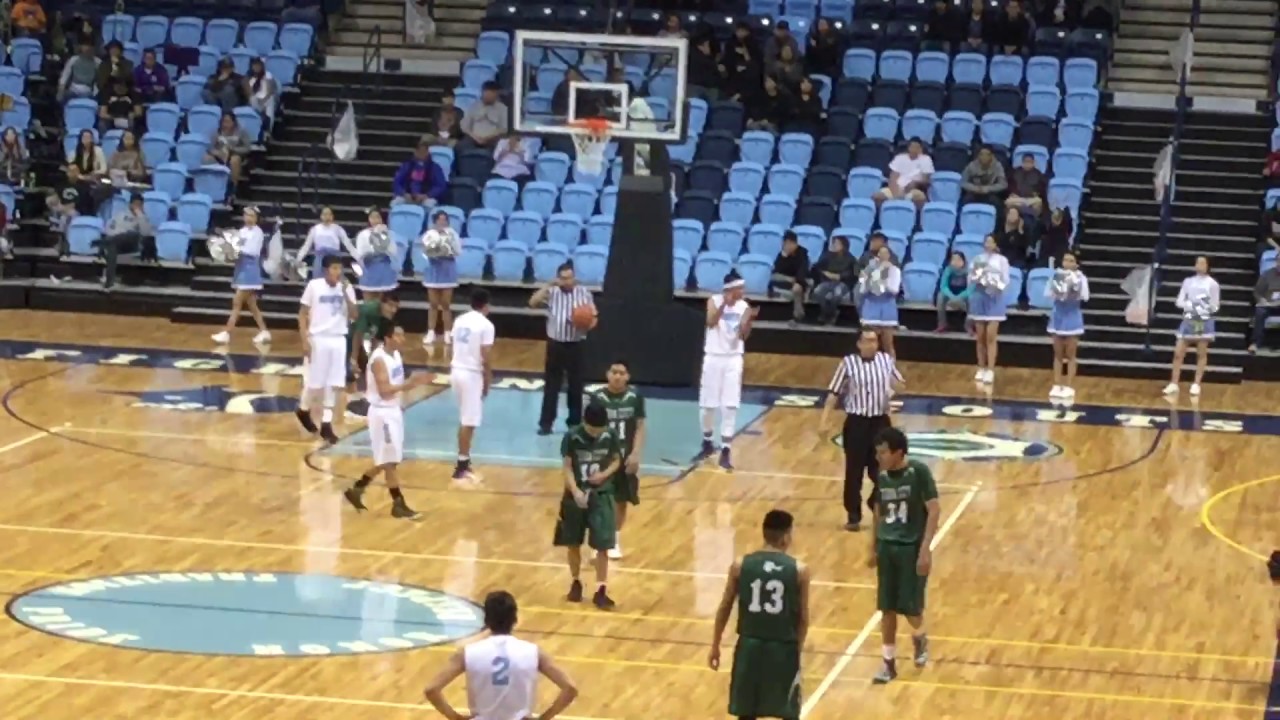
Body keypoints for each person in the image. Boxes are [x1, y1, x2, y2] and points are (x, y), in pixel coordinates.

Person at [708, 509, 811, 720]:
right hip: (783, 646)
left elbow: (724, 607)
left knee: (747, 711)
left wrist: (715, 645)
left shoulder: (740, 565)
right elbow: (803, 617)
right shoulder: (800, 570)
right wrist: (797, 650)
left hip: (750, 647)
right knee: (788, 712)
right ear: (785, 537)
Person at [422, 590, 579, 720]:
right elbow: (570, 688)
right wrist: (544, 718)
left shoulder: (468, 652)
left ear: (486, 620)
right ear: (515, 619)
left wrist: (456, 718)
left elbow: (431, 689)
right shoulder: (533, 652)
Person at [867, 427, 940, 684]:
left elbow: (933, 510)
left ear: (899, 452)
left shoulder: (918, 472)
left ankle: (920, 637)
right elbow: (878, 512)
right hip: (888, 546)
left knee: (910, 608)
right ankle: (888, 663)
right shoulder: (882, 476)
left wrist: (925, 549)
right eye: (878, 453)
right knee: (886, 608)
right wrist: (872, 547)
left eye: (884, 453)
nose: (879, 458)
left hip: (910, 547)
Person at [341, 320, 429, 519]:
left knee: (389, 459)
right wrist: (410, 385)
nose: (403, 339)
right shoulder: (379, 360)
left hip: (393, 411)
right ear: (388, 338)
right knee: (389, 461)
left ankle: (357, 489)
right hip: (382, 414)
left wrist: (407, 388)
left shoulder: (396, 354)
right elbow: (385, 391)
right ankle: (398, 504)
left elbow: (396, 385)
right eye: (398, 335)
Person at [820, 330, 903, 531]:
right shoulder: (848, 363)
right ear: (859, 343)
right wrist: (824, 420)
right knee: (854, 471)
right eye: (867, 341)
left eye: (874, 341)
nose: (872, 344)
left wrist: (892, 391)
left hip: (880, 422)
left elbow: (899, 383)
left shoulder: (886, 360)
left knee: (883, 471)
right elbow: (834, 393)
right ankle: (853, 514)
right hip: (857, 422)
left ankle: (875, 502)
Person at [554, 401, 621, 610]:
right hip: (575, 494)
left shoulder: (610, 435)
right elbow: (567, 468)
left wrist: (603, 475)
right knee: (572, 541)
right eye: (592, 430)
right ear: (584, 423)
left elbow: (617, 460)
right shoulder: (572, 437)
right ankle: (575, 582)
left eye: (598, 430)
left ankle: (601, 588)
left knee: (603, 543)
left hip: (601, 494)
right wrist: (575, 492)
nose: (595, 434)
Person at [588, 360, 646, 560]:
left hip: (625, 457)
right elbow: (589, 428)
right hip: (603, 458)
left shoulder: (635, 398)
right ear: (607, 374)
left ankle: (613, 540)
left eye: (622, 373)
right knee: (599, 501)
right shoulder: (597, 397)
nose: (618, 376)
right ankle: (598, 542)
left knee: (621, 501)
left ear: (628, 376)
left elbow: (639, 426)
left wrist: (636, 453)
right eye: (614, 372)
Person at [295, 255, 356, 444]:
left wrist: (346, 294)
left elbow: (354, 314)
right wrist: (304, 340)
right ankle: (303, 410)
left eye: (340, 268)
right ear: (326, 270)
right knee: (314, 383)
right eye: (334, 268)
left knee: (335, 383)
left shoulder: (347, 287)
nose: (338, 272)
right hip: (318, 339)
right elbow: (302, 314)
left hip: (338, 338)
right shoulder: (314, 286)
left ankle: (327, 424)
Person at [700, 271, 757, 471]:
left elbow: (743, 336)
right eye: (740, 288)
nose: (743, 291)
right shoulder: (713, 301)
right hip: (713, 356)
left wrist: (747, 323)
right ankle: (707, 441)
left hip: (733, 358)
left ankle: (726, 449)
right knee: (708, 404)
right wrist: (725, 305)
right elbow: (710, 322)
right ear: (730, 289)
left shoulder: (745, 307)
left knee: (730, 405)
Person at [530, 263, 593, 435]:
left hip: (576, 344)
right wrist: (548, 285)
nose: (567, 281)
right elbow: (532, 302)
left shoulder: (584, 292)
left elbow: (594, 316)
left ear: (574, 277)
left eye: (570, 277)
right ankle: (546, 424)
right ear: (558, 278)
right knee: (551, 386)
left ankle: (574, 423)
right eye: (563, 278)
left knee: (576, 386)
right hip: (556, 344)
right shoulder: (552, 292)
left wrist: (584, 323)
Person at [449, 288, 495, 482]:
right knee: (469, 421)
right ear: (486, 305)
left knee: (465, 419)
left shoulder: (460, 320)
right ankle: (461, 467)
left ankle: (464, 461)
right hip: (471, 374)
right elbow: (485, 356)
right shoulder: (486, 325)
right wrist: (488, 379)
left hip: (455, 370)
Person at [211, 206, 271, 346]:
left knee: (237, 302)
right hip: (241, 268)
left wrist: (236, 249)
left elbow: (253, 251)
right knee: (252, 305)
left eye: (252, 215)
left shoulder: (258, 233)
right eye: (246, 215)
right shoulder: (241, 232)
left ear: (256, 218)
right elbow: (235, 248)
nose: (248, 218)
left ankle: (227, 333)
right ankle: (264, 331)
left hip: (250, 270)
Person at [1164, 256, 1219, 398]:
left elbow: (1215, 306)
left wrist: (1202, 309)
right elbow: (1179, 301)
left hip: (1202, 320)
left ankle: (1196, 384)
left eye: (1202, 263)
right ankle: (1174, 383)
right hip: (1188, 319)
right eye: (1197, 262)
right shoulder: (1188, 281)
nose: (1199, 265)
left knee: (1201, 353)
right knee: (1178, 352)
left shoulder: (1212, 284)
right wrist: (1190, 306)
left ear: (1208, 266)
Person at [343, 293, 400, 416]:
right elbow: (357, 335)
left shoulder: (387, 316)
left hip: (363, 337)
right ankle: (351, 403)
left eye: (396, 307)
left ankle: (364, 398)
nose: (393, 310)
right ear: (382, 303)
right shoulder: (368, 311)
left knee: (368, 367)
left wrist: (373, 356)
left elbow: (377, 337)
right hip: (348, 335)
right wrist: (353, 359)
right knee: (351, 370)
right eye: (390, 306)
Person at [1046, 251, 1090, 399]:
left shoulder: (1081, 278)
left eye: (1071, 261)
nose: (1067, 263)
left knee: (1071, 354)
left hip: (1072, 317)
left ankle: (1069, 385)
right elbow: (1049, 294)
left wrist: (1073, 287)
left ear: (1076, 264)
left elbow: (1085, 297)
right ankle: (1057, 384)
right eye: (1065, 260)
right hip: (1058, 316)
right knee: (1058, 354)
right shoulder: (1056, 275)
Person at [969, 234, 1010, 385]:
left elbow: (1006, 280)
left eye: (991, 241)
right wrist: (979, 277)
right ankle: (981, 367)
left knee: (991, 336)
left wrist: (994, 283)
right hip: (979, 298)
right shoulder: (977, 259)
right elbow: (971, 278)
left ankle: (991, 369)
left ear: (995, 244)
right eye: (986, 241)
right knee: (980, 336)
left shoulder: (1002, 260)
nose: (988, 244)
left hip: (995, 298)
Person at [421, 209, 462, 345]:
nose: (442, 222)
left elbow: (457, 251)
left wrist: (448, 252)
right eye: (440, 219)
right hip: (433, 270)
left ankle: (447, 333)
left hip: (448, 271)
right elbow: (425, 251)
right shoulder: (428, 235)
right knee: (433, 304)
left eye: (445, 220)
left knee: (445, 304)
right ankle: (431, 332)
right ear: (435, 221)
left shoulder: (452, 234)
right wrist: (434, 252)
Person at [96, 192, 154, 289]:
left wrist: (139, 214)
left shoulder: (144, 217)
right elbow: (109, 229)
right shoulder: (120, 216)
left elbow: (145, 233)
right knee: (112, 247)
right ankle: (109, 282)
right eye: (135, 204)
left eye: (139, 204)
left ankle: (103, 242)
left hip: (133, 243)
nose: (137, 206)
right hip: (118, 243)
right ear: (130, 204)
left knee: (128, 235)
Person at [858, 245, 902, 357]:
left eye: (885, 253)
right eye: (880, 253)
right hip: (870, 307)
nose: (882, 256)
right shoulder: (869, 269)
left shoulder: (895, 270)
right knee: (869, 344)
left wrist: (882, 278)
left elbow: (894, 290)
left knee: (888, 345)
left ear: (889, 256)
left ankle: (890, 370)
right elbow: (862, 289)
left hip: (887, 307)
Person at [297, 206, 356, 279]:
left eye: (329, 214)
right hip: (320, 259)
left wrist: (359, 258)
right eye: (325, 214)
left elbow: (349, 245)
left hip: (334, 259)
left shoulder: (338, 229)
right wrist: (298, 258)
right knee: (319, 283)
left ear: (332, 216)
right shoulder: (315, 229)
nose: (327, 217)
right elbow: (306, 246)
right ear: (321, 216)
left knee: (336, 283)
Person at [811, 235, 858, 325]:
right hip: (827, 281)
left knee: (837, 294)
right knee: (817, 292)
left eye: (836, 243)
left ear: (843, 245)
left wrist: (840, 276)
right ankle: (830, 313)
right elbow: (816, 267)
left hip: (842, 283)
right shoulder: (827, 256)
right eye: (833, 243)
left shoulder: (851, 259)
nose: (834, 245)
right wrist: (825, 273)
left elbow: (854, 274)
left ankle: (827, 315)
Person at [354, 208, 398, 299]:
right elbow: (360, 253)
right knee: (369, 303)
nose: (375, 220)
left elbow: (393, 251)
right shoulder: (363, 234)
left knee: (383, 302)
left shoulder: (389, 234)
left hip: (385, 271)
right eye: (372, 217)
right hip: (368, 270)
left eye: (377, 217)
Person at [877, 138, 934, 208]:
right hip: (896, 189)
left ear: (921, 149)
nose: (914, 149)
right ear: (908, 148)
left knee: (919, 199)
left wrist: (914, 184)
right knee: (877, 197)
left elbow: (926, 180)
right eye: (912, 147)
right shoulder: (899, 158)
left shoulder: (926, 160)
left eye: (917, 147)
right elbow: (892, 177)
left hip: (913, 190)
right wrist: (896, 194)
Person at [770, 230, 810, 324]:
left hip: (800, 280)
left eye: (789, 243)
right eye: (785, 244)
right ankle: (783, 293)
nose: (787, 246)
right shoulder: (782, 254)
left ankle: (797, 316)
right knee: (774, 277)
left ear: (794, 243)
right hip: (787, 280)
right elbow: (777, 271)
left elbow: (802, 270)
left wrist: (798, 282)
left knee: (797, 289)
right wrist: (784, 258)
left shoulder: (802, 254)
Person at [392, 140, 447, 208]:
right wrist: (404, 194)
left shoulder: (435, 168)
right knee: (395, 203)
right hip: (407, 196)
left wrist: (427, 195)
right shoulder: (407, 165)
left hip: (426, 197)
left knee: (429, 205)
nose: (421, 153)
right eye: (419, 151)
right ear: (415, 152)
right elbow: (397, 182)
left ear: (428, 152)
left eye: (424, 151)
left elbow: (440, 186)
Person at [206, 111, 253, 188]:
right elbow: (209, 147)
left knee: (234, 160)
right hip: (220, 155)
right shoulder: (217, 132)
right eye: (223, 122)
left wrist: (233, 149)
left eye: (228, 122)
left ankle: (232, 187)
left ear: (233, 122)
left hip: (234, 154)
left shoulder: (241, 132)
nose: (225, 124)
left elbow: (247, 148)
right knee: (206, 158)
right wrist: (215, 152)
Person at [459, 81, 509, 152]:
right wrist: (475, 137)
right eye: (486, 93)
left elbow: (504, 129)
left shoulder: (503, 109)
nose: (488, 96)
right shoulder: (474, 106)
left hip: (493, 140)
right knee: (460, 147)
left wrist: (487, 138)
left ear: (496, 94)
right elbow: (464, 126)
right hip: (473, 139)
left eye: (491, 94)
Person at [1249, 252, 1280, 353]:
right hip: (1268, 304)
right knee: (1260, 311)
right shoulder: (1267, 274)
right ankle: (1255, 343)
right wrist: (1261, 300)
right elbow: (1257, 292)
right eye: (1279, 261)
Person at [935, 251, 972, 332]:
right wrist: (952, 296)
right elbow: (943, 286)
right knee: (940, 296)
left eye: (958, 260)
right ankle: (942, 324)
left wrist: (960, 297)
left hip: (963, 296)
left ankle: (968, 325)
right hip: (950, 295)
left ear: (963, 261)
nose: (956, 262)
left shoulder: (969, 272)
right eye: (953, 260)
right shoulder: (948, 270)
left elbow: (970, 289)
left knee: (972, 299)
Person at [1006, 153, 1045, 218]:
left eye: (1030, 162)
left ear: (1033, 162)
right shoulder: (1015, 172)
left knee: (1038, 202)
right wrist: (1014, 193)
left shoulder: (1038, 174)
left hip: (1031, 200)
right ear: (1022, 162)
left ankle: (1033, 220)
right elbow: (1010, 186)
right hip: (1017, 199)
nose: (1027, 164)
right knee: (1008, 202)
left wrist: (1036, 194)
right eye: (1026, 161)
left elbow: (1041, 189)